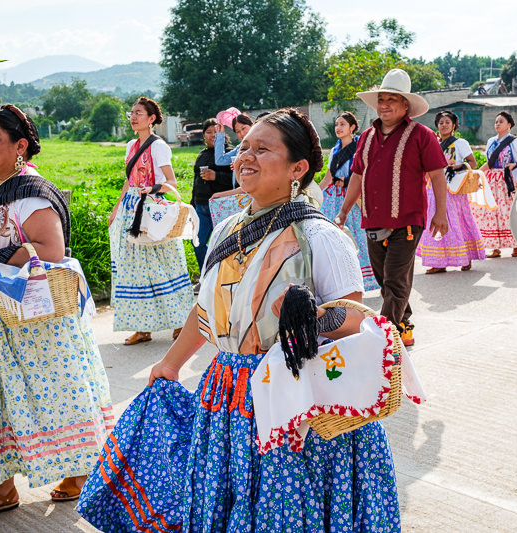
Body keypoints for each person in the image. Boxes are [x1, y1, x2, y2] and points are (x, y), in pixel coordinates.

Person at [77, 108, 402, 531]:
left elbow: (353, 321)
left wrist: (307, 315)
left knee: (284, 504)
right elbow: (206, 308)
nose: (244, 156)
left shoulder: (323, 239)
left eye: (262, 149)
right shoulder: (228, 226)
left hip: (293, 397)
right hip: (228, 390)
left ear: (297, 168)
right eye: (243, 148)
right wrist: (171, 363)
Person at [0, 105, 113, 522]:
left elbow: (52, 251)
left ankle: (78, 472)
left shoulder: (31, 191)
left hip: (23, 319)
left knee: (44, 393)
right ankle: (2, 487)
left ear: (20, 146)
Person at [335, 68, 448, 347]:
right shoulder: (366, 137)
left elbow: (437, 175)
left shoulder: (422, 135)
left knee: (396, 279)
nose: (384, 105)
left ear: (405, 105)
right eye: (381, 99)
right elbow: (357, 176)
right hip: (372, 219)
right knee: (385, 278)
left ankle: (381, 340)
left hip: (409, 220)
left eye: (391, 100)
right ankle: (403, 323)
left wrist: (441, 212)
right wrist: (345, 210)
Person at [109, 96, 194, 344]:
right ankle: (142, 327)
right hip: (131, 209)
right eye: (131, 113)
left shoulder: (159, 146)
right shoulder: (130, 146)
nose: (133, 117)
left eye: (139, 113)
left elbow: (172, 183)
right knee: (134, 269)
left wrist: (152, 189)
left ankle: (180, 322)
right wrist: (116, 209)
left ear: (152, 118)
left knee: (165, 265)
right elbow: (129, 180)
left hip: (153, 211)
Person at [416, 111, 485, 273]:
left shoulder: (460, 143)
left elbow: (472, 163)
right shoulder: (432, 143)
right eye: (441, 122)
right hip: (434, 188)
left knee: (458, 221)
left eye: (448, 122)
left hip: (454, 188)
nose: (444, 125)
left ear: (454, 125)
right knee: (435, 221)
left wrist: (456, 167)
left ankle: (465, 257)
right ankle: (438, 262)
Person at [319, 111, 379, 291]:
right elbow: (328, 177)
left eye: (342, 124)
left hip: (352, 197)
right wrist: (314, 193)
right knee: (332, 238)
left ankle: (364, 279)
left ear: (353, 127)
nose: (338, 127)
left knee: (357, 237)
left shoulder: (360, 147)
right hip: (332, 198)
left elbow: (365, 173)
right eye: (337, 124)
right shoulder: (335, 150)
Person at [472, 111, 517, 259]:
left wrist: (514, 164)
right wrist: (476, 173)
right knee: (492, 213)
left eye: (501, 121)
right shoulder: (491, 141)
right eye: (496, 121)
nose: (497, 124)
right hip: (492, 180)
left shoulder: (515, 141)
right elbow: (489, 164)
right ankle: (495, 247)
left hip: (507, 180)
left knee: (510, 212)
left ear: (509, 125)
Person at [191, 118, 233, 268]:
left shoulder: (230, 153)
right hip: (201, 207)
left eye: (216, 131)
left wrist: (216, 176)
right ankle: (206, 276)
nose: (212, 135)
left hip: (221, 207)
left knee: (224, 245)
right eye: (209, 132)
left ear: (223, 133)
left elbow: (237, 181)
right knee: (197, 243)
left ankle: (221, 278)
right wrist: (192, 204)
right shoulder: (202, 154)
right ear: (203, 135)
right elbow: (196, 182)